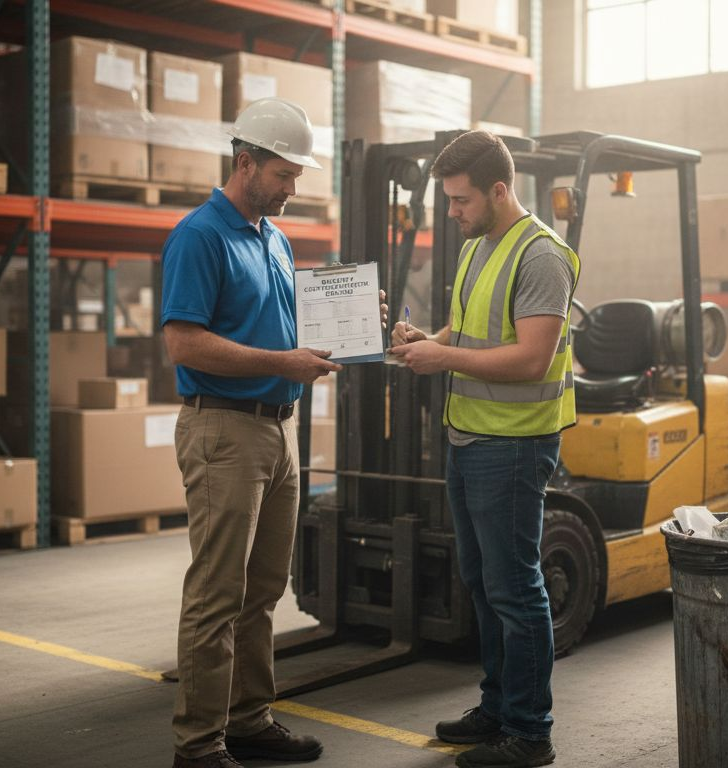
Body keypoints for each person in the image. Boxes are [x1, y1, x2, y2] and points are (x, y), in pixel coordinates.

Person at [160, 97, 384, 768]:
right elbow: (183, 343)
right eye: (284, 176)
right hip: (224, 430)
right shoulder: (200, 235)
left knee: (263, 589)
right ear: (245, 161)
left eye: (297, 177)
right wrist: (281, 363)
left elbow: (295, 333)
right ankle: (198, 746)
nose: (293, 189)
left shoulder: (275, 239)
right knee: (216, 594)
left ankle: (250, 717)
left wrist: (356, 318)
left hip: (279, 432)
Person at [389, 130, 579, 768]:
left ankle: (530, 732)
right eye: (447, 200)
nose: (452, 212)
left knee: (516, 589)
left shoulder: (542, 255)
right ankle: (498, 706)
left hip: (515, 448)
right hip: (468, 439)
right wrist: (429, 337)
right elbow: (467, 331)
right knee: (481, 581)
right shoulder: (478, 247)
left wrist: (441, 356)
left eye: (461, 200)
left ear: (500, 190)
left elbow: (531, 359)